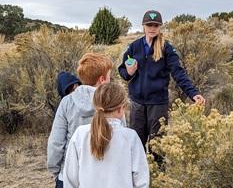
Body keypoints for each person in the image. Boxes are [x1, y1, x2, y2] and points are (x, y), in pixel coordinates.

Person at [118, 10, 205, 152]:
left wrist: (193, 93)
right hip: (137, 104)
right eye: (149, 25)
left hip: (158, 104)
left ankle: (158, 174)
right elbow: (123, 71)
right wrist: (128, 72)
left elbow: (178, 73)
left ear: (160, 27)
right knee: (135, 147)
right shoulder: (134, 47)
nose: (152, 28)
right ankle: (137, 174)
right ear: (143, 26)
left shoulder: (167, 48)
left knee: (157, 147)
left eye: (156, 25)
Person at [63, 83, 149, 188]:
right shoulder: (130, 137)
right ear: (121, 109)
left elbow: (70, 181)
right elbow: (141, 181)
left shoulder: (80, 135)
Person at [47, 53, 113, 188]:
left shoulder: (67, 102)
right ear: (102, 79)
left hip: (70, 174)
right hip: (105, 175)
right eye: (109, 76)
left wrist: (56, 172)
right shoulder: (113, 102)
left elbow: (56, 142)